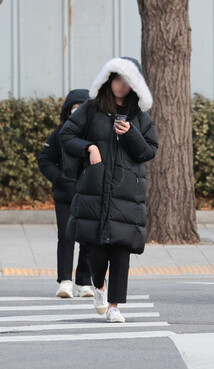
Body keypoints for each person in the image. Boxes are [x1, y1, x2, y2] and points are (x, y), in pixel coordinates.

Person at [59, 57, 158, 322]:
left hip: (127, 192)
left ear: (134, 85)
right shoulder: (91, 109)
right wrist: (89, 148)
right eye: (116, 79)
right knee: (94, 250)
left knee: (121, 250)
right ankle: (99, 285)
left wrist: (132, 133)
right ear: (108, 80)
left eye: (127, 81)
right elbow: (66, 135)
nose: (121, 85)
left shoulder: (139, 115)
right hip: (95, 190)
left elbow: (149, 151)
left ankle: (114, 306)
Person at [38, 89, 93, 299]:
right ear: (67, 111)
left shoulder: (95, 136)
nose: (77, 112)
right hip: (65, 195)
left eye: (82, 108)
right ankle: (65, 281)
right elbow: (45, 160)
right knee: (66, 237)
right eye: (73, 108)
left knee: (88, 238)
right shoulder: (59, 134)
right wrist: (59, 178)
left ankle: (84, 282)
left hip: (90, 194)